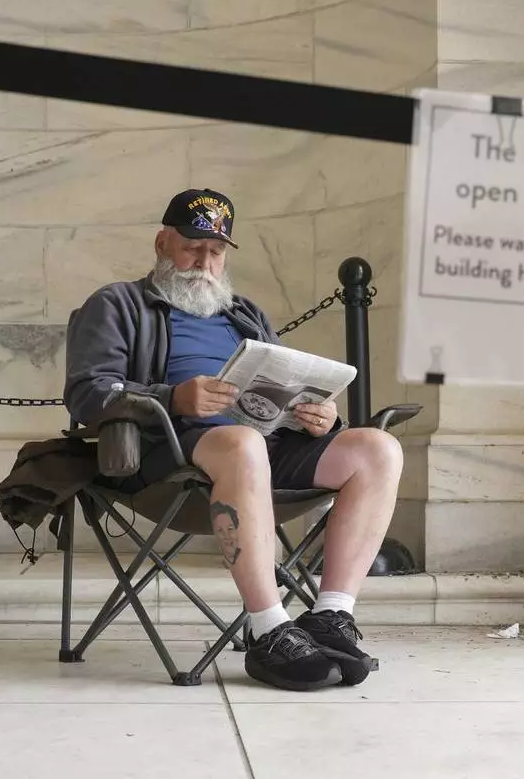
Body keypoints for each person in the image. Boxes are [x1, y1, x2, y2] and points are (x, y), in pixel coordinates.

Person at [63, 188, 404, 692]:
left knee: (378, 449)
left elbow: (284, 381)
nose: (204, 262)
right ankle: (268, 629)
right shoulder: (117, 304)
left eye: (216, 251)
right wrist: (175, 398)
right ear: (162, 243)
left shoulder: (244, 313)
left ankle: (330, 616)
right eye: (192, 248)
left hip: (264, 445)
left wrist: (319, 416)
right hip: (170, 457)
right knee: (243, 443)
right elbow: (87, 394)